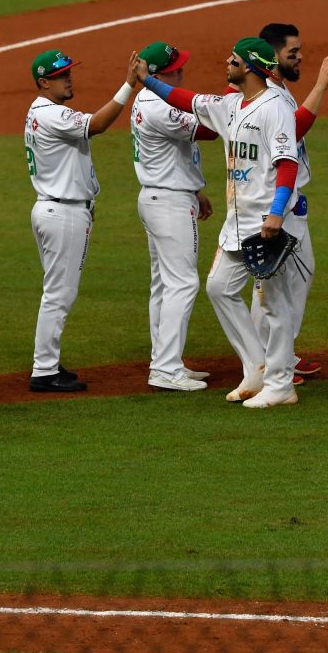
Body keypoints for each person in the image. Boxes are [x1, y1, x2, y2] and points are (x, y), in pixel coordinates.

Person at [138, 37, 304, 408]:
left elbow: (287, 163)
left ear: (247, 66)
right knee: (218, 288)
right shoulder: (231, 104)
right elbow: (188, 100)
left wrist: (277, 212)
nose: (226, 62)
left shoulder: (274, 107)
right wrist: (147, 80)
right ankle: (256, 367)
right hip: (238, 221)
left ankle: (281, 384)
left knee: (275, 304)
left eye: (233, 59)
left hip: (268, 219)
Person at [24, 48, 140, 392]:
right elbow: (98, 124)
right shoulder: (51, 114)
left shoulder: (39, 111)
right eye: (61, 75)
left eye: (69, 72)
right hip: (62, 213)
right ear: (43, 82)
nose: (69, 78)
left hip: (57, 208)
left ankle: (48, 362)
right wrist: (129, 84)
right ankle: (43, 370)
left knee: (57, 292)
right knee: (59, 294)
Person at [253, 23, 328, 386]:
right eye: (293, 52)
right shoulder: (268, 96)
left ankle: (281, 353)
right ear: (272, 57)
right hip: (276, 203)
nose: (300, 56)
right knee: (270, 285)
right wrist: (321, 85)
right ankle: (264, 363)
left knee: (295, 279)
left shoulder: (279, 89)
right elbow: (296, 129)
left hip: (289, 203)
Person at [131, 41, 218, 392]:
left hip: (162, 195)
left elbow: (178, 150)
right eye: (174, 69)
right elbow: (210, 130)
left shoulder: (151, 100)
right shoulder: (157, 104)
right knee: (183, 282)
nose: (181, 72)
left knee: (165, 284)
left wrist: (196, 188)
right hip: (168, 202)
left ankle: (165, 360)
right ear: (155, 75)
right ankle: (166, 369)